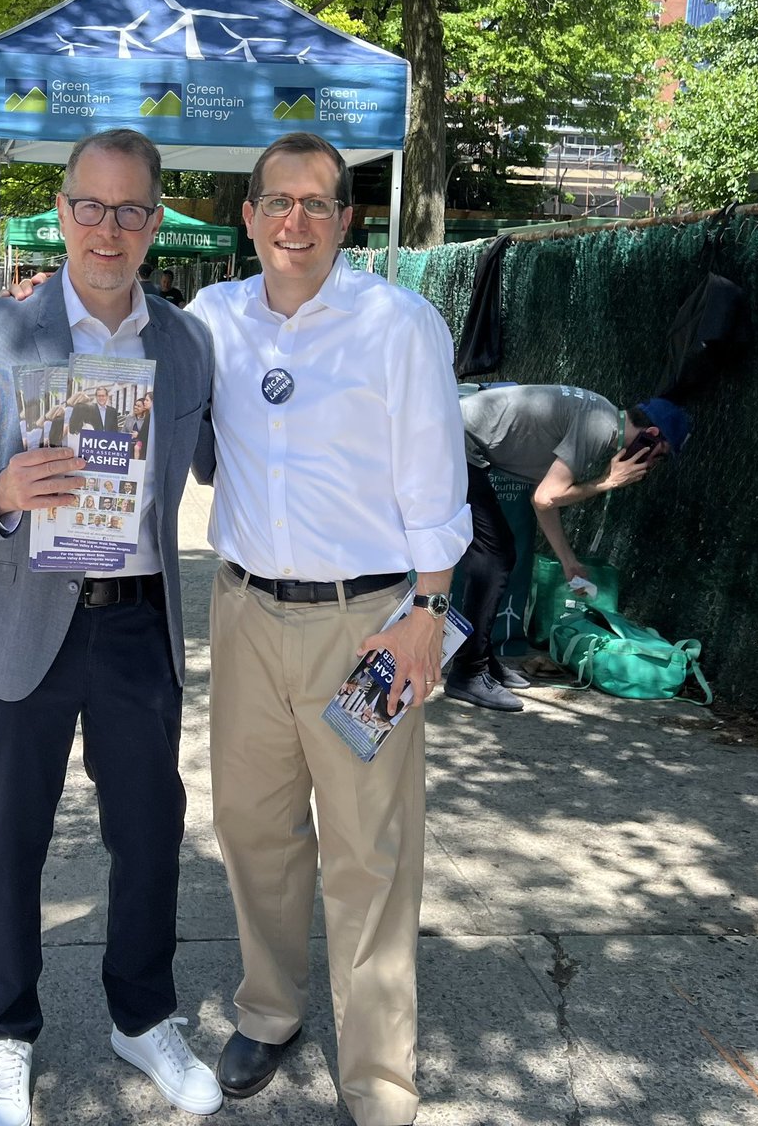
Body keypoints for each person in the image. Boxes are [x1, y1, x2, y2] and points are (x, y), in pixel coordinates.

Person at [0, 128, 220, 1126]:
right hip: (18, 625)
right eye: (92, 206)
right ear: (63, 208)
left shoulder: (186, 345)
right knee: (8, 843)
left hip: (137, 628)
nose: (110, 228)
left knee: (150, 834)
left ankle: (143, 1015)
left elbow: (236, 462)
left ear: (156, 220)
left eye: (133, 210)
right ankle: (7, 1033)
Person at [187, 132, 471, 1126]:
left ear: (348, 221)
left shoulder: (397, 325)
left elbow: (437, 478)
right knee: (253, 830)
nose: (296, 221)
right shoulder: (212, 318)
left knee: (371, 854)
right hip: (244, 614)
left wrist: (428, 613)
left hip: (370, 624)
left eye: (318, 203)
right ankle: (269, 1011)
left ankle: (381, 1080)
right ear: (249, 216)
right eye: (278, 201)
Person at [446, 386, 691, 711]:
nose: (652, 466)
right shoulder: (599, 427)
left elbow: (542, 497)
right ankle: (468, 671)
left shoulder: (601, 416)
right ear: (650, 435)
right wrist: (607, 482)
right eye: (658, 454)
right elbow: (547, 497)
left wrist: (567, 560)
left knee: (498, 553)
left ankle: (479, 658)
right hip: (451, 442)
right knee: (494, 556)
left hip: (457, 439)